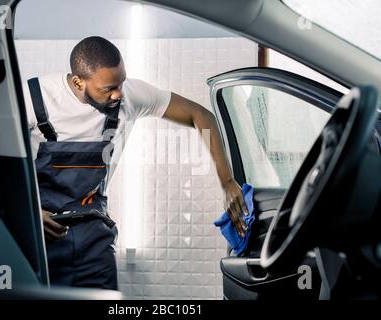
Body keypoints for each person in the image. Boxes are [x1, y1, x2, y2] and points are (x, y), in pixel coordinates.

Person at [23, 36, 248, 290]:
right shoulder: (33, 99)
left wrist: (227, 181)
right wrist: (26, 209)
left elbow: (201, 116)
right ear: (78, 82)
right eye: (108, 88)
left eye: (121, 82)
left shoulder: (128, 94)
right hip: (42, 236)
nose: (119, 94)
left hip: (93, 238)